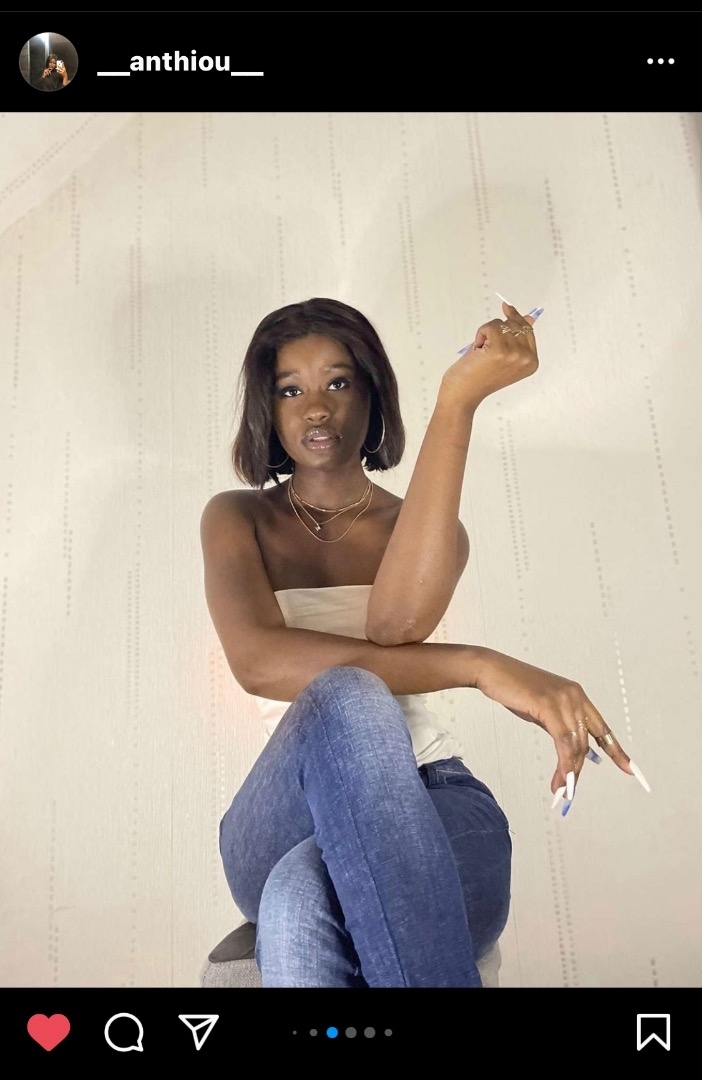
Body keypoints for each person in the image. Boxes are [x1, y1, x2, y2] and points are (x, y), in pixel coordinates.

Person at [200, 296, 642, 987]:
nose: (316, 408)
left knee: (298, 897)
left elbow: (395, 626)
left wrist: (457, 402)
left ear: (374, 394)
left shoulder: (429, 532)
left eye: (339, 382)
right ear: (268, 407)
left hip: (432, 790)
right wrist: (479, 666)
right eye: (290, 389)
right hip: (283, 812)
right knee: (347, 696)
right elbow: (258, 662)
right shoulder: (237, 518)